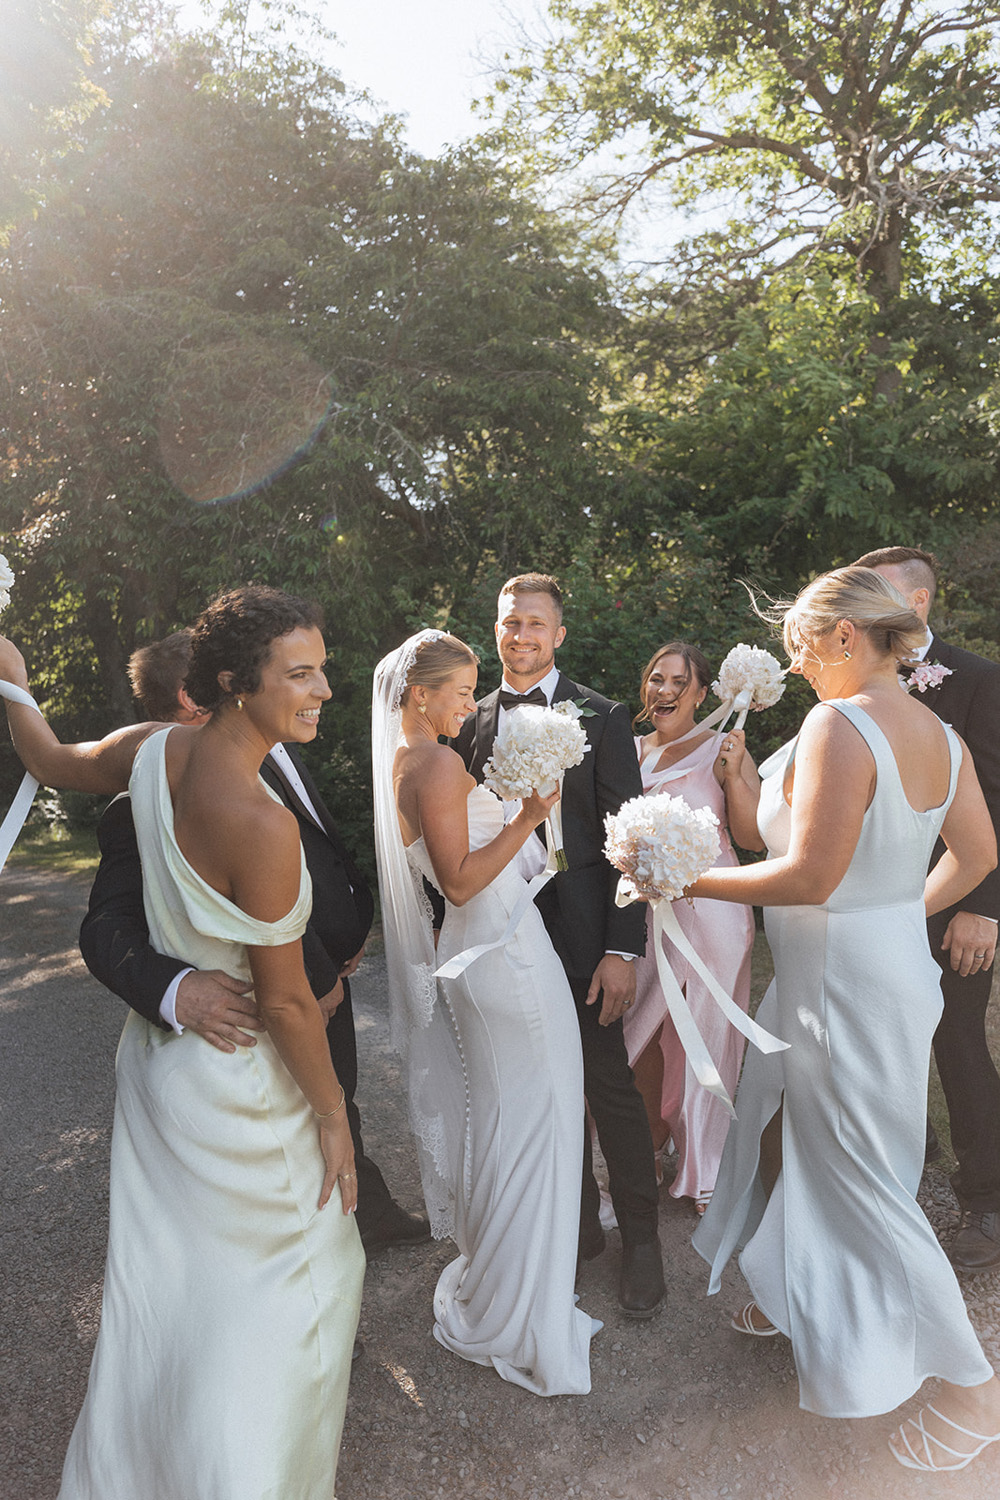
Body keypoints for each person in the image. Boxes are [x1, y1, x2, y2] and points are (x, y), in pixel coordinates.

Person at [0, 587, 365, 1499]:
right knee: (308, 1289)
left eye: (323, 667)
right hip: (244, 1092)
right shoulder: (260, 820)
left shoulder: (147, 750)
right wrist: (333, 1117)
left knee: (175, 1298)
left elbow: (46, 757)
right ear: (238, 682)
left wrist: (14, 682)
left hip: (164, 1087)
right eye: (301, 673)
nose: (323, 688)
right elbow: (286, 1005)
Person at [689, 566, 1000, 1471]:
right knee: (809, 1140)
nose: (796, 665)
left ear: (844, 639)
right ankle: (798, 1295)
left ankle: (976, 1389)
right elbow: (978, 852)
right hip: (882, 971)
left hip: (842, 990)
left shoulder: (840, 722)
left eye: (800, 645)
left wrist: (684, 878)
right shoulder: (939, 731)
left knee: (861, 1172)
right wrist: (903, 913)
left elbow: (807, 879)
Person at [79, 628, 429, 1255]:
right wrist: (175, 990)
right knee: (292, 1166)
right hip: (264, 1018)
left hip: (328, 985)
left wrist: (354, 919)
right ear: (201, 695)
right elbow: (104, 929)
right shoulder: (149, 795)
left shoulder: (278, 741)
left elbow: (311, 853)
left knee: (338, 1104)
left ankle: (363, 1214)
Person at [372, 629, 600, 1395]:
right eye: (463, 692)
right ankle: (517, 1304)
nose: (472, 706)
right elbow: (462, 882)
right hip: (502, 955)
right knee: (538, 1120)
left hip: (481, 952)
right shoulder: (433, 762)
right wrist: (530, 814)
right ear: (419, 694)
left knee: (515, 1117)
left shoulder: (409, 761)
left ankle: (513, 1281)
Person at [453, 574, 665, 1318]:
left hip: (583, 939)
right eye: (511, 622)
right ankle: (573, 1230)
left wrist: (622, 949)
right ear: (496, 628)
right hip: (502, 938)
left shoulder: (602, 719)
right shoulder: (468, 722)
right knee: (537, 1089)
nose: (521, 636)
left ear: (559, 635)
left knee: (607, 1085)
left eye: (536, 624)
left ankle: (642, 1242)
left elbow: (631, 844)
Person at [854, 545, 1000, 1273]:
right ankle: (907, 1166)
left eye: (871, 593)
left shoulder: (976, 680)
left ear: (916, 605)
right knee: (882, 1040)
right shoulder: (856, 679)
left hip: (955, 905)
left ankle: (988, 1202)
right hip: (873, 896)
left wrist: (986, 910)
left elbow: (996, 804)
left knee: (959, 1044)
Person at [625, 642, 760, 1216]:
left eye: (680, 682)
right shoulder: (626, 751)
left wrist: (733, 777)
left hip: (713, 913)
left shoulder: (724, 749)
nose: (666, 691)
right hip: (646, 915)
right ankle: (647, 1149)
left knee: (704, 1037)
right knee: (642, 1038)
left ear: (704, 694)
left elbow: (754, 838)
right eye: (656, 679)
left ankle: (704, 1169)